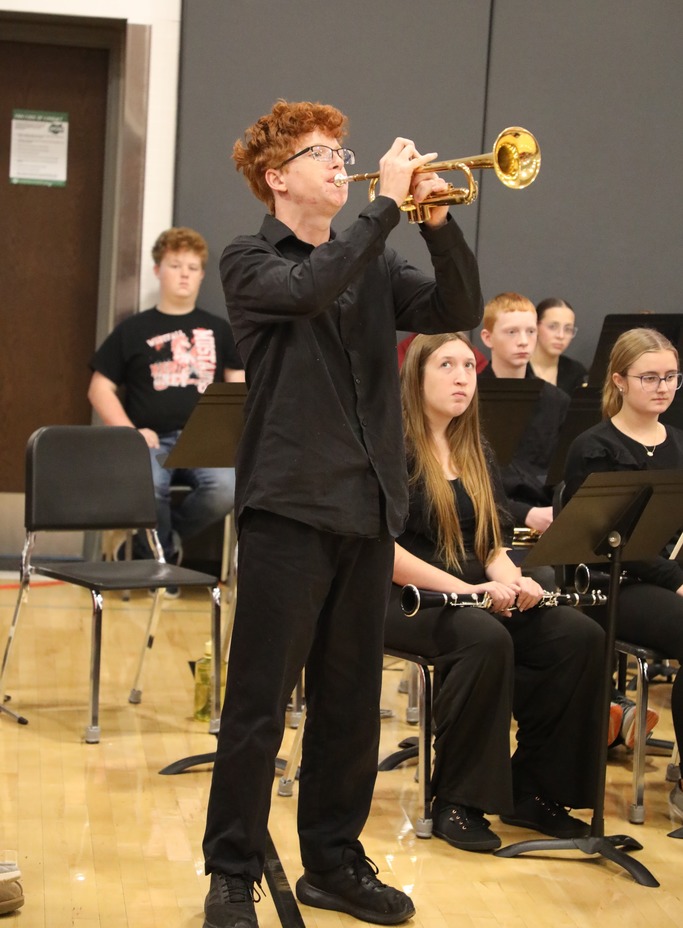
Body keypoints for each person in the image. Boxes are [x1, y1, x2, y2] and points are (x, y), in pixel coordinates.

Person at [201, 99, 484, 928]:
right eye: (322, 153)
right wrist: (386, 207)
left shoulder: (374, 259)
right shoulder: (249, 259)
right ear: (276, 177)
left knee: (350, 703)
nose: (340, 161)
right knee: (258, 706)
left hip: (367, 510)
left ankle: (332, 861)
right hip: (288, 508)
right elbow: (310, 286)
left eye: (343, 151)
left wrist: (433, 224)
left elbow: (452, 308)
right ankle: (230, 872)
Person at [384, 331, 603, 851]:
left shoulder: (473, 446)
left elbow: (491, 545)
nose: (463, 377)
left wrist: (514, 578)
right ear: (415, 378)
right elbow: (384, 552)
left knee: (578, 636)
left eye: (468, 367)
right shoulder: (390, 445)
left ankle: (537, 792)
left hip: (473, 589)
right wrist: (469, 589)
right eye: (447, 366)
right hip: (402, 595)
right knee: (484, 638)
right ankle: (458, 802)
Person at [564, 326, 683, 822]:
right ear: (619, 380)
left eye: (673, 377)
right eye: (649, 377)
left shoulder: (677, 442)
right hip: (614, 584)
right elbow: (612, 544)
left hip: (665, 580)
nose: (663, 387)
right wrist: (676, 579)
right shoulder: (595, 446)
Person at [88, 227, 244, 593]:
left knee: (225, 488)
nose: (185, 273)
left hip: (205, 442)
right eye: (176, 265)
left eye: (193, 266)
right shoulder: (133, 329)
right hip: (149, 442)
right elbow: (99, 388)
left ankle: (159, 546)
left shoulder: (219, 329)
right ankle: (162, 565)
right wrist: (129, 432)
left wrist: (225, 432)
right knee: (149, 486)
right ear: (158, 270)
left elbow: (238, 386)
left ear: (202, 274)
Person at [478, 292, 570, 539]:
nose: (523, 341)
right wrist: (524, 512)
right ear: (487, 338)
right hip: (486, 523)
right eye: (511, 332)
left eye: (530, 332)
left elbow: (563, 473)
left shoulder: (556, 400)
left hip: (548, 523)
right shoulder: (468, 399)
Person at [531, 297, 588, 395]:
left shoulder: (576, 371)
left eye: (568, 329)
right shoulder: (518, 368)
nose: (560, 336)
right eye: (552, 327)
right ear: (536, 326)